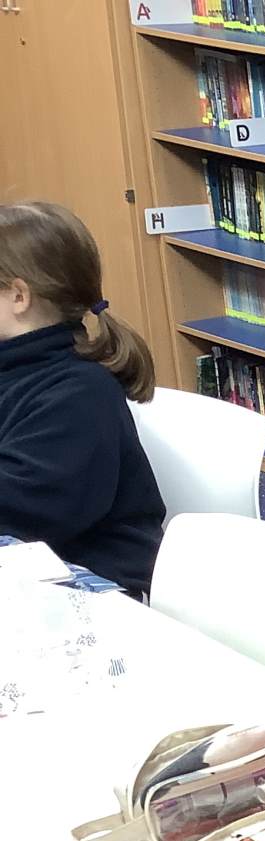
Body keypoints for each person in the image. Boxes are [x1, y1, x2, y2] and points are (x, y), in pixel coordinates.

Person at [0, 201, 164, 595]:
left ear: (19, 296)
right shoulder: (15, 368)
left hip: (90, 589)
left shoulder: (81, 394)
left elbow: (26, 511)